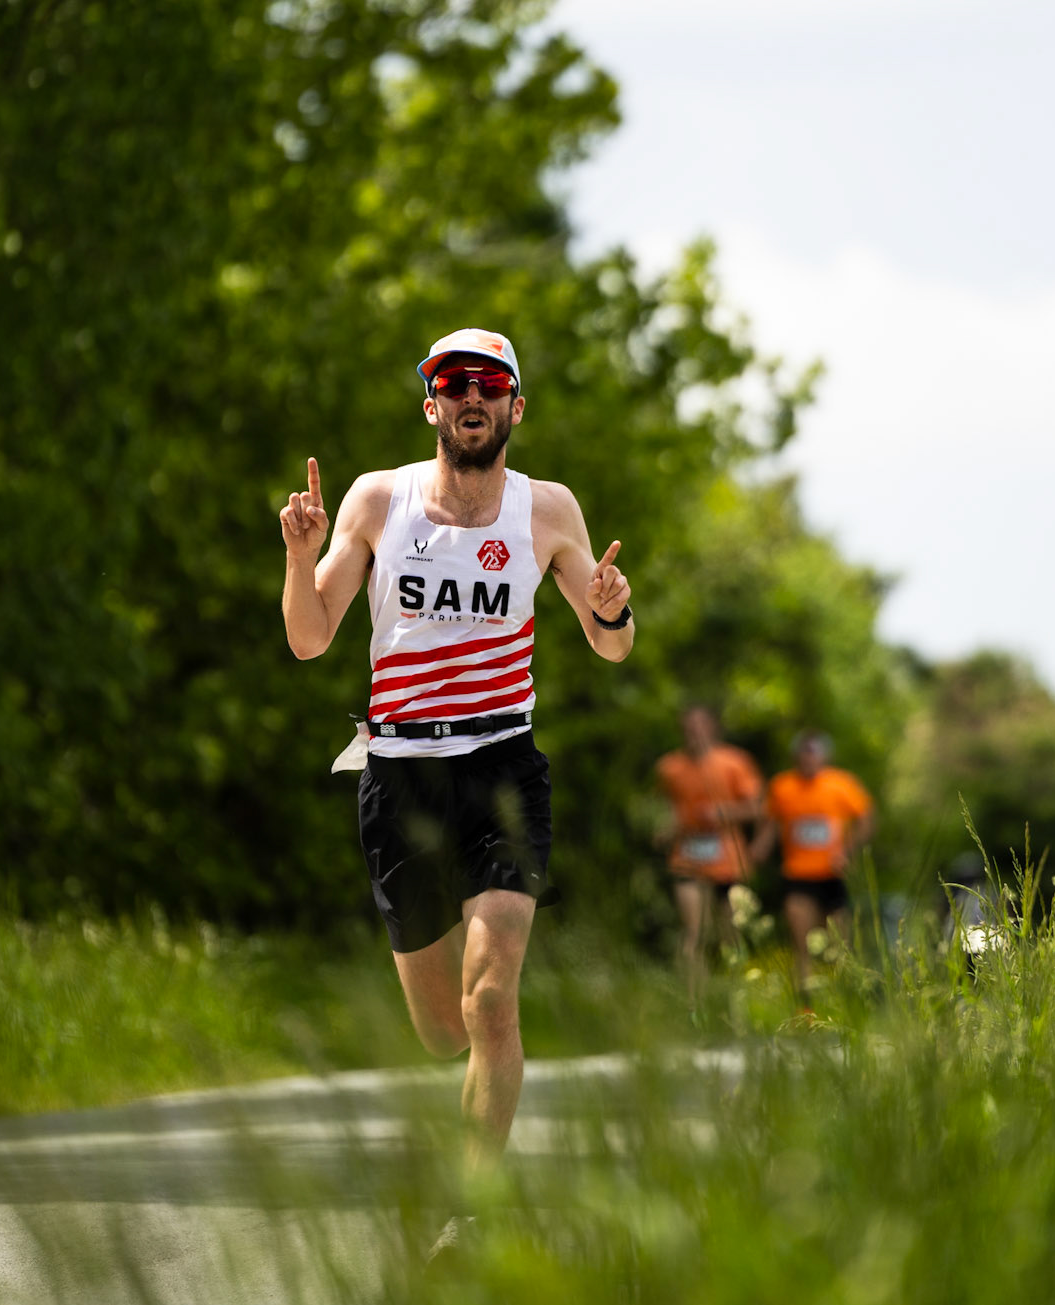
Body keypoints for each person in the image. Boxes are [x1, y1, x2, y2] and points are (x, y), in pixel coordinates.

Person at [279, 328, 633, 1171]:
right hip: (398, 775)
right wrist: (299, 559)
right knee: (442, 1031)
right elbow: (308, 638)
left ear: (516, 404)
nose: (473, 395)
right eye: (454, 381)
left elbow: (611, 644)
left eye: (490, 383)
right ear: (431, 403)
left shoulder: (546, 509)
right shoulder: (375, 500)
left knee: (490, 1001)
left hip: (501, 769)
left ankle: (470, 1211)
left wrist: (611, 606)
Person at [654, 705, 763, 1002]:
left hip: (728, 859)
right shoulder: (669, 767)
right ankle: (694, 1006)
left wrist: (724, 812)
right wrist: (664, 828)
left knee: (731, 936)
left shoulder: (735, 762)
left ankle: (738, 1005)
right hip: (687, 858)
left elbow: (756, 808)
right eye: (689, 727)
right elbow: (665, 809)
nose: (695, 732)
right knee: (694, 933)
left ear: (713, 728)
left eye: (700, 726)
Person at [754, 732, 875, 993]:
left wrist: (847, 850)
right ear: (796, 756)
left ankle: (841, 1001)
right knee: (802, 944)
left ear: (824, 756)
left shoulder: (841, 784)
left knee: (839, 945)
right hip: (798, 875)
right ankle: (806, 1008)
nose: (809, 759)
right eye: (804, 753)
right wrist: (759, 849)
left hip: (832, 875)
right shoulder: (782, 786)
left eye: (814, 753)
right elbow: (771, 822)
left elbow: (866, 819)